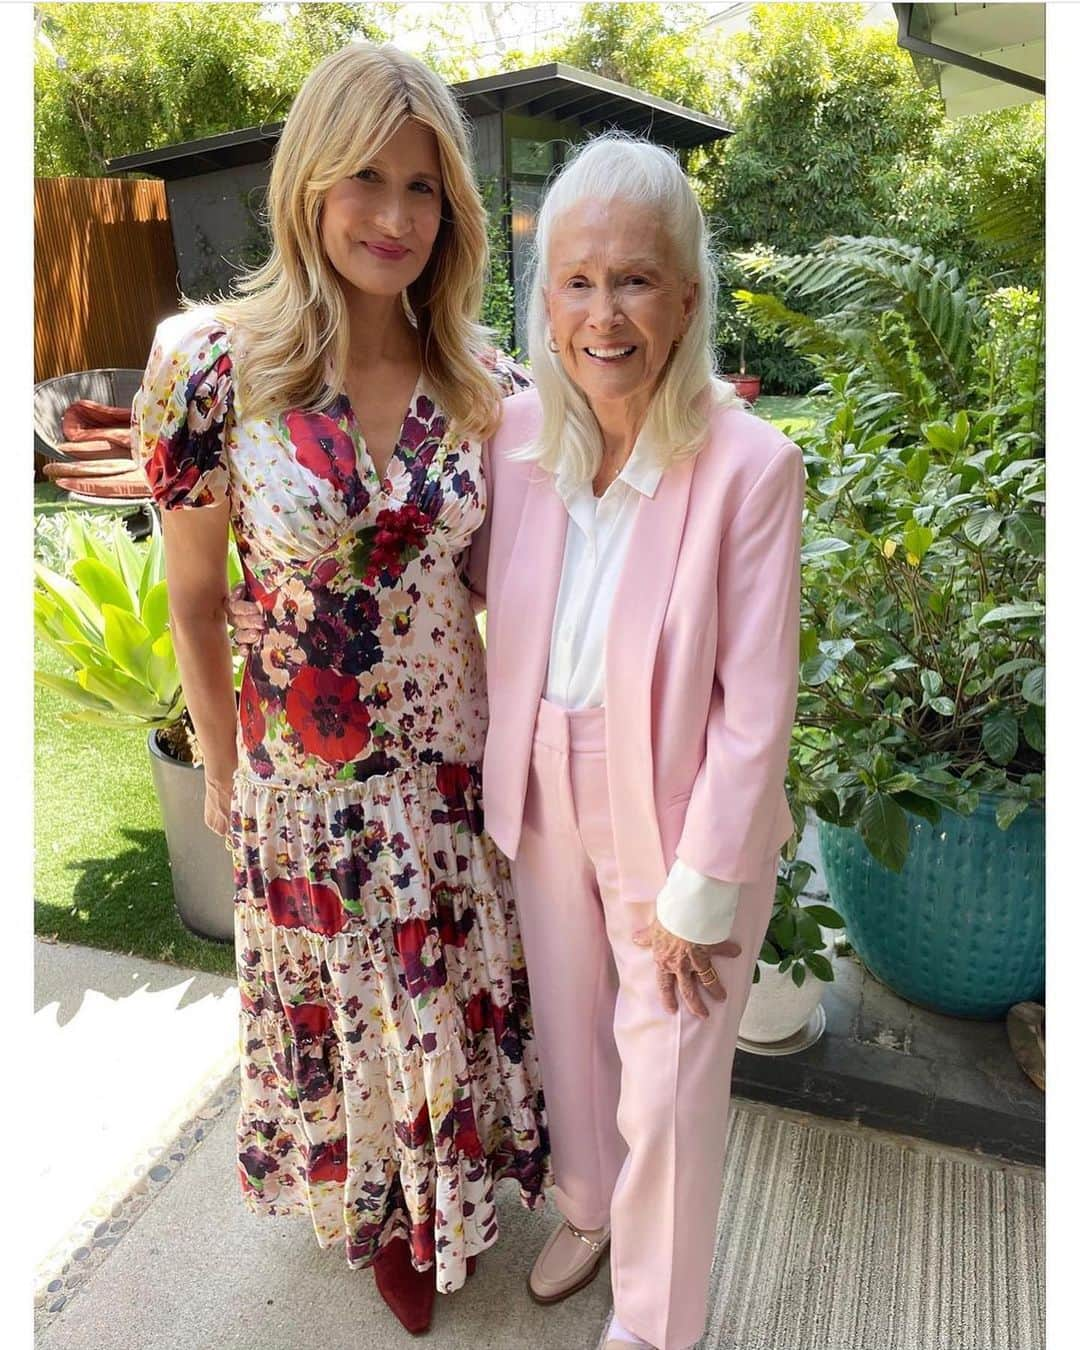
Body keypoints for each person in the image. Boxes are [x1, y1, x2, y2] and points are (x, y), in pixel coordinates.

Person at [133, 42, 548, 1339]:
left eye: (423, 188)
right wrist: (222, 761)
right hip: (308, 791)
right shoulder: (213, 370)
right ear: (308, 182)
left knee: (441, 1002)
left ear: (454, 212)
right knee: (347, 1010)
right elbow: (195, 597)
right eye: (364, 177)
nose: (392, 215)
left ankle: (447, 1191)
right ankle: (379, 1202)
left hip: (449, 780)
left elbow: (522, 602)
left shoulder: (490, 390)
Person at [469, 134, 805, 1350]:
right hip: (541, 779)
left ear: (687, 296)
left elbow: (758, 704)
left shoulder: (749, 467)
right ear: (544, 293)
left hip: (674, 803)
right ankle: (587, 1205)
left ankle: (657, 1326)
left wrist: (701, 893)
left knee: (665, 1069)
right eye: (576, 280)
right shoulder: (513, 435)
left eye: (635, 279)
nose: (602, 313)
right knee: (572, 1026)